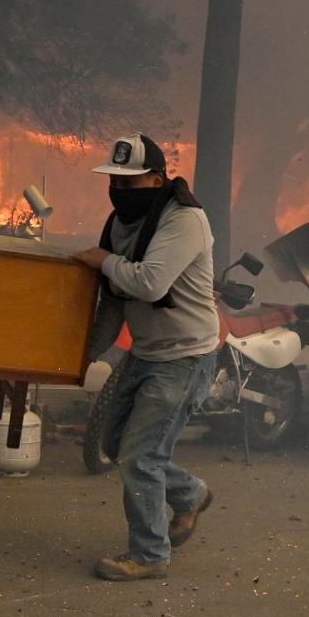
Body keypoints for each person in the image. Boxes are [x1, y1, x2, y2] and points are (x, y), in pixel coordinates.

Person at [72, 133, 219, 581]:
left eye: (130, 182)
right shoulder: (118, 224)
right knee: (117, 445)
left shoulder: (185, 220)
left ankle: (150, 555)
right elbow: (114, 300)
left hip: (185, 356)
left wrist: (101, 260)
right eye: (115, 180)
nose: (119, 190)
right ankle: (190, 493)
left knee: (140, 458)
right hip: (146, 351)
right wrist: (81, 357)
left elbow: (151, 283)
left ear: (157, 178)